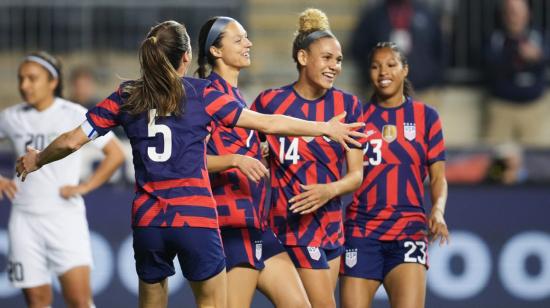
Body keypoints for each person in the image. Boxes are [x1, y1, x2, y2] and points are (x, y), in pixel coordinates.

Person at [15, 20, 366, 308]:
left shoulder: (125, 96)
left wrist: (38, 158)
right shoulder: (202, 93)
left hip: (149, 220)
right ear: (186, 58)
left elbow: (72, 140)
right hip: (196, 217)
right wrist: (326, 129)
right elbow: (269, 123)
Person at [251, 9, 365, 308]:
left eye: (338, 60)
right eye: (326, 58)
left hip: (331, 226)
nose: (334, 66)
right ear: (303, 58)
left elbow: (356, 175)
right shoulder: (270, 101)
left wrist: (330, 189)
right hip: (292, 227)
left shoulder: (348, 104)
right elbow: (248, 150)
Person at [196, 17, 309, 308]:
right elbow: (190, 162)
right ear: (216, 51)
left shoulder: (237, 96)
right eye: (238, 39)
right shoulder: (205, 96)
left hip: (256, 226)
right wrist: (235, 160)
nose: (248, 44)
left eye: (247, 37)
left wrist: (259, 155)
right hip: (229, 228)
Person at [0, 51, 125, 308]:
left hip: (64, 219)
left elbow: (115, 154)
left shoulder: (74, 113)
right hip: (24, 219)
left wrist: (86, 186)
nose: (24, 85)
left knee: (79, 301)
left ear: (52, 81)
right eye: (21, 78)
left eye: (32, 78)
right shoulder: (11, 116)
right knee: (37, 303)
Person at [340, 42, 449, 308]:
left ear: (405, 69)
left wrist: (437, 210)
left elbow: (438, 177)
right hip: (362, 231)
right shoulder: (357, 117)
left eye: (391, 65)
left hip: (409, 231)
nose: (382, 72)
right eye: (375, 66)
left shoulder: (427, 117)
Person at [350, 0, 444, 104]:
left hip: (424, 92)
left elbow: (441, 48)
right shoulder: (373, 15)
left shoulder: (427, 13)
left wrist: (435, 81)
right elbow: (358, 49)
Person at [485, 0, 550, 147]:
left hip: (532, 108)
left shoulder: (538, 37)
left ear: (528, 13)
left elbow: (546, 56)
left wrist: (538, 55)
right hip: (502, 108)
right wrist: (512, 54)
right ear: (504, 15)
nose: (514, 16)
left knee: (534, 159)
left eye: (518, 11)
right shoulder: (497, 39)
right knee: (498, 159)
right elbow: (489, 65)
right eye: (510, 11)